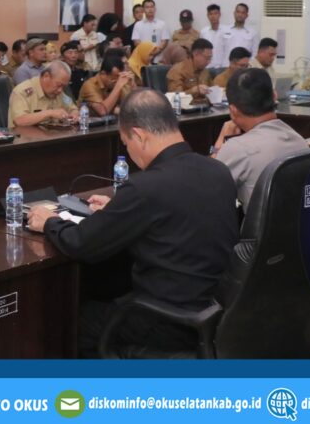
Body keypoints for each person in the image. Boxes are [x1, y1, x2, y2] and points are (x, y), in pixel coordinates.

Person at [26, 89, 238, 357]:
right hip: (216, 310)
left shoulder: (146, 187)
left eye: (126, 143)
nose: (128, 151)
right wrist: (118, 210)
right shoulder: (218, 170)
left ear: (138, 135)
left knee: (69, 321)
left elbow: (81, 243)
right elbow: (178, 213)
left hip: (167, 319)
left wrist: (50, 222)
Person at [211, 69, 307, 211]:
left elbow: (206, 188)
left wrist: (219, 144)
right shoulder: (299, 140)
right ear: (274, 96)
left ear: (233, 110)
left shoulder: (238, 148)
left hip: (254, 225)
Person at [8, 61, 77, 128]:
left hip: (51, 134)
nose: (60, 90)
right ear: (46, 76)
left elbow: (72, 108)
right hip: (26, 135)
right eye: (58, 85)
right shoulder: (22, 91)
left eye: (64, 87)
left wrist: (74, 114)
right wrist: (49, 113)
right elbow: (19, 121)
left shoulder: (59, 93)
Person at [166, 38, 214, 105]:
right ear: (195, 54)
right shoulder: (177, 71)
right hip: (186, 108)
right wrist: (193, 91)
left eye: (210, 58)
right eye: (206, 58)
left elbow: (211, 89)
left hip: (204, 107)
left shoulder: (205, 71)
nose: (208, 62)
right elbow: (175, 97)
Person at [200, 4, 229, 69]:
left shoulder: (227, 31)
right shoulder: (203, 32)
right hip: (207, 67)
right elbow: (201, 51)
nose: (213, 16)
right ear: (207, 16)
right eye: (211, 14)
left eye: (215, 13)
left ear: (219, 14)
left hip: (223, 67)